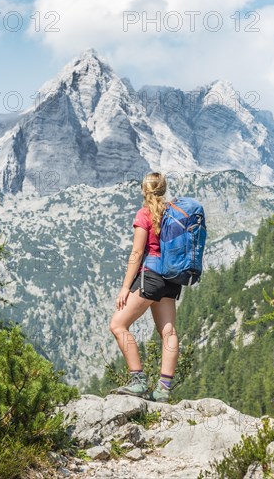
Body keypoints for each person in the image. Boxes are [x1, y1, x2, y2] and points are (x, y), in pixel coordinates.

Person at [109, 172, 182, 402]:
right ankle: (163, 389)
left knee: (118, 325)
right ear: (163, 189)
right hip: (171, 278)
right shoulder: (174, 213)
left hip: (150, 277)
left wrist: (124, 287)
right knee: (168, 332)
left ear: (144, 190)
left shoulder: (145, 213)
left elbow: (138, 252)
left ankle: (138, 381)